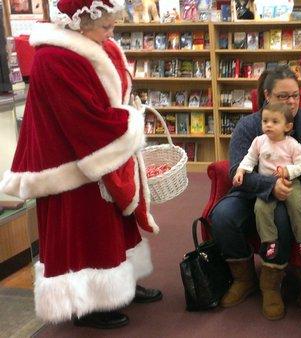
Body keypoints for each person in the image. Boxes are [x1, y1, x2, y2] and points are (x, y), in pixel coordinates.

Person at [0, 0, 162, 330]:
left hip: (98, 151)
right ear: (79, 22)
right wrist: (129, 125)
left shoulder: (97, 44)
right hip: (70, 162)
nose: (111, 33)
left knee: (115, 223)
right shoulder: (54, 57)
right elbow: (81, 118)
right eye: (105, 26)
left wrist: (123, 121)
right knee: (85, 229)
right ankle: (87, 304)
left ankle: (120, 287)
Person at [210, 64, 301, 320]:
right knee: (222, 217)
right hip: (250, 194)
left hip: (290, 196)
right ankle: (244, 278)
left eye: (295, 95)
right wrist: (269, 185)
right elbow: (236, 169)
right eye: (284, 96)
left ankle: (271, 285)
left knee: (281, 219)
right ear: (267, 96)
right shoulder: (249, 126)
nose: (292, 102)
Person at [232, 101, 301, 260]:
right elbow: (250, 158)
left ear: (287, 127)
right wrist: (241, 170)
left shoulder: (292, 145)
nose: (268, 125)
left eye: (275, 122)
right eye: (265, 121)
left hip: (290, 182)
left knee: (297, 206)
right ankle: (269, 241)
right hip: (266, 184)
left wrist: (288, 171)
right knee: (260, 209)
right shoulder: (259, 141)